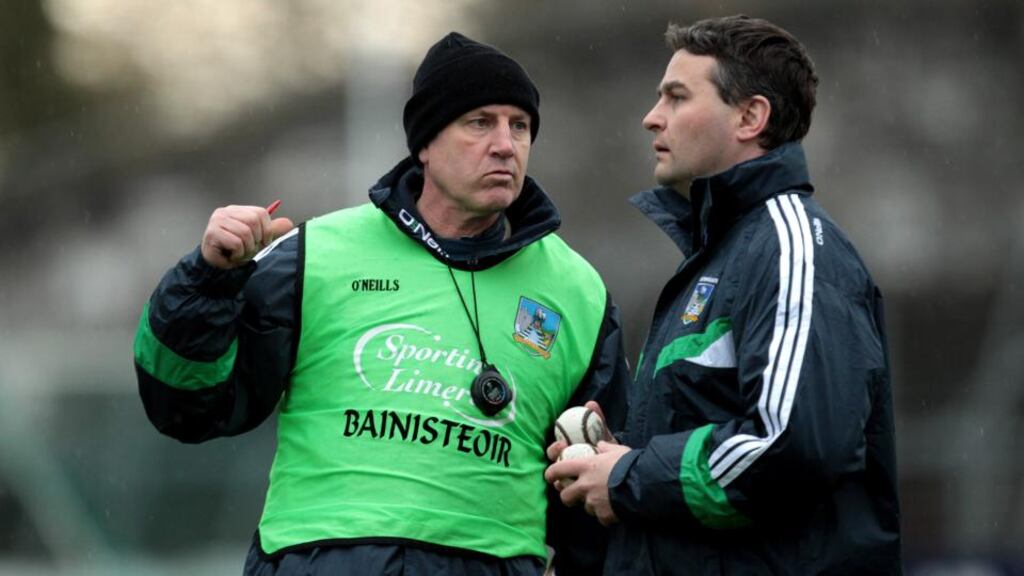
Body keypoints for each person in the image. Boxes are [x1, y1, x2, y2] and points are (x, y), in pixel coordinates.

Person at [133, 31, 628, 576]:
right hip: (321, 559)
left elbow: (600, 499)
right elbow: (189, 407)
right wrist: (207, 280)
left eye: (520, 126)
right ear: (425, 143)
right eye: (479, 122)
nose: (505, 145)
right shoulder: (315, 253)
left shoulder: (578, 291)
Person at [545, 15, 902, 575]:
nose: (651, 117)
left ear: (750, 117)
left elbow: (792, 446)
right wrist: (618, 455)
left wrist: (630, 476)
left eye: (677, 97)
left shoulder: (789, 248)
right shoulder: (723, 253)